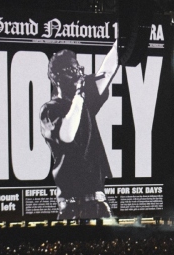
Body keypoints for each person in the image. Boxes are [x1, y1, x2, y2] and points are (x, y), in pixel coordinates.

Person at [39, 36, 121, 221]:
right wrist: (79, 94)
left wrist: (121, 41)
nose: (77, 73)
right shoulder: (50, 109)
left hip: (98, 199)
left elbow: (107, 72)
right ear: (56, 77)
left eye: (78, 68)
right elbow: (67, 134)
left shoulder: (84, 98)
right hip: (72, 204)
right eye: (71, 70)